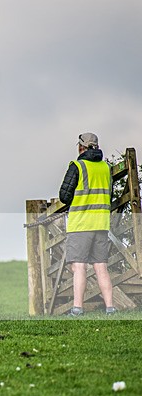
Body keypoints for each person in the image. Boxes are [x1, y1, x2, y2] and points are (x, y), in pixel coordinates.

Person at [58, 132, 116, 316]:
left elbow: (64, 196)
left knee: (79, 266)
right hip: (101, 223)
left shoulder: (77, 166)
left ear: (81, 147)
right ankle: (110, 308)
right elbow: (110, 194)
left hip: (81, 224)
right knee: (101, 267)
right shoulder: (106, 168)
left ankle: (77, 309)